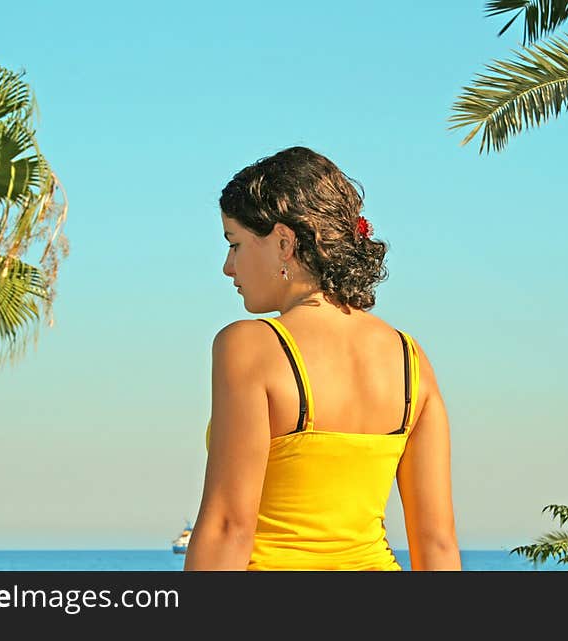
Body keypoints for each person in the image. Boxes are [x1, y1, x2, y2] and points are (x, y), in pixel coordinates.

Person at [184, 146, 461, 571]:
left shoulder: (250, 347)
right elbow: (437, 543)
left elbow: (228, 527)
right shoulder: (410, 358)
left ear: (283, 242)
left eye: (235, 244)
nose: (227, 266)